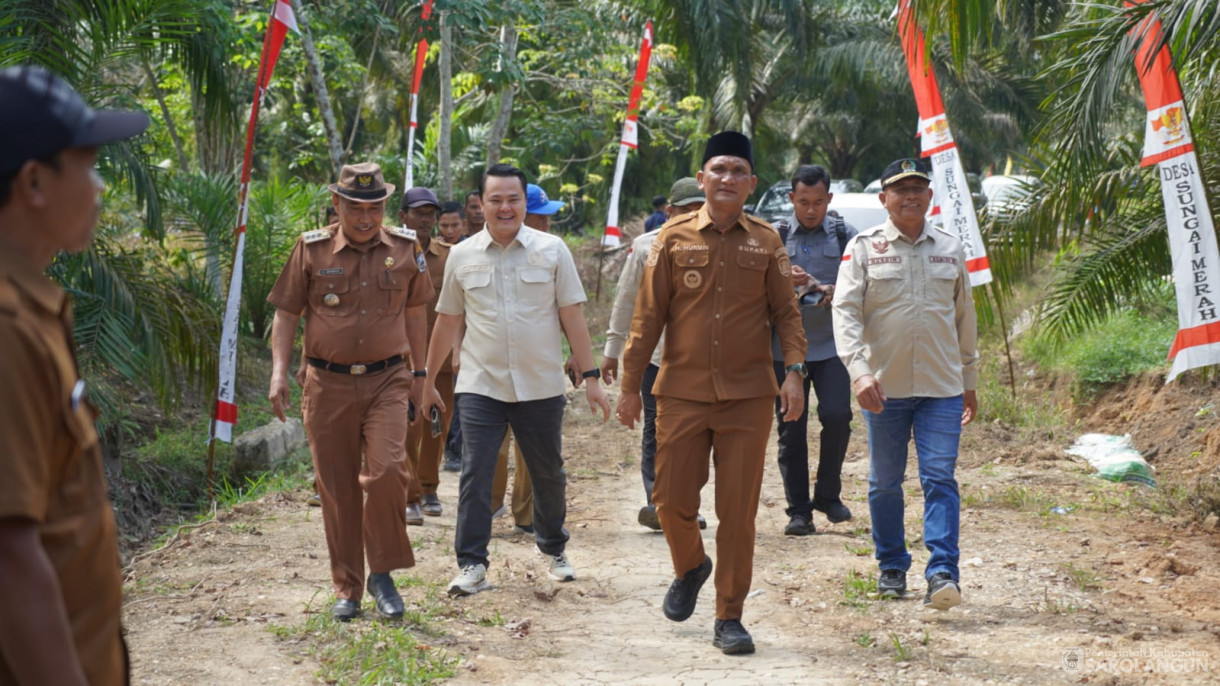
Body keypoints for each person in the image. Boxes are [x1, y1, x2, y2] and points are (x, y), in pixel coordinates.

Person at [616, 131, 806, 655]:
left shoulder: (767, 241)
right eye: (717, 170)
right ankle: (691, 565)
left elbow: (786, 313)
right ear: (702, 180)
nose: (726, 179)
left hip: (747, 398)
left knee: (738, 514)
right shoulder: (672, 240)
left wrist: (793, 370)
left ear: (751, 184)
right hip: (680, 391)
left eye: (737, 171)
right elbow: (646, 317)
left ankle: (730, 616)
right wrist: (631, 386)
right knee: (671, 501)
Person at [0, 64, 148, 686]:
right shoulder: (7, 329)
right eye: (88, 169)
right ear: (34, 180)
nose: (99, 189)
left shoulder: (33, 310)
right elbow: (9, 553)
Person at [421, 164, 610, 597]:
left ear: (525, 203)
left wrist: (593, 376)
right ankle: (471, 564)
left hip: (540, 385)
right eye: (496, 200)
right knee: (476, 473)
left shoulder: (552, 249)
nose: (505, 207)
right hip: (480, 385)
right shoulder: (462, 255)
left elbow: (572, 317)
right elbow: (448, 321)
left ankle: (554, 549)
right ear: (481, 205)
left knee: (548, 473)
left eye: (513, 199)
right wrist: (427, 381)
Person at [266, 162, 433, 622]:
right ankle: (349, 587)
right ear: (336, 205)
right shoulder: (311, 249)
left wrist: (421, 376)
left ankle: (382, 571)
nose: (366, 217)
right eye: (356, 207)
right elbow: (286, 313)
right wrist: (279, 372)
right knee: (337, 489)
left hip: (388, 380)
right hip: (326, 383)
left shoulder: (404, 249)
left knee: (386, 473)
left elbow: (416, 312)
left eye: (375, 207)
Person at [831, 157, 978, 611]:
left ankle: (942, 573)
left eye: (918, 187)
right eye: (900, 189)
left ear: (930, 196)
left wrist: (969, 378)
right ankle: (892, 565)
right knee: (884, 483)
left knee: (940, 478)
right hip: (884, 388)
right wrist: (859, 372)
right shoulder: (863, 247)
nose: (910, 195)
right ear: (884, 199)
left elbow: (964, 318)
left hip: (942, 387)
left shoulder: (950, 249)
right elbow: (845, 312)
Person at [602, 176, 706, 531]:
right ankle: (657, 502)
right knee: (657, 430)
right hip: (654, 355)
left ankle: (687, 503)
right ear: (669, 211)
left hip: (701, 358)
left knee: (693, 433)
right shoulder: (646, 247)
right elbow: (626, 299)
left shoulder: (719, 244)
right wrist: (612, 351)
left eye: (699, 208)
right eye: (686, 209)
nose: (693, 215)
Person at [769, 165, 858, 536]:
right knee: (791, 427)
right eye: (803, 202)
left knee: (837, 416)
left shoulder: (845, 235)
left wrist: (827, 289)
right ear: (791, 200)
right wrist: (785, 284)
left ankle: (828, 494)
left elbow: (860, 286)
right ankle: (799, 510)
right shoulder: (774, 236)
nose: (810, 209)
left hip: (832, 346)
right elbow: (754, 290)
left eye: (818, 202)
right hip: (784, 350)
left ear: (829, 200)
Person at [398, 187, 449, 523]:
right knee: (406, 426)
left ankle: (430, 486)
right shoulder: (390, 252)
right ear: (403, 216)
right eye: (418, 213)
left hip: (441, 356)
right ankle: (410, 494)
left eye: (431, 214)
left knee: (437, 425)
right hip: (400, 357)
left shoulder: (449, 255)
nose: (426, 220)